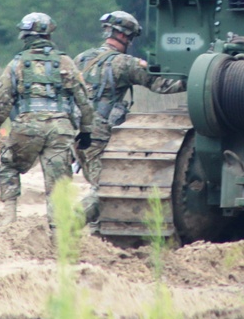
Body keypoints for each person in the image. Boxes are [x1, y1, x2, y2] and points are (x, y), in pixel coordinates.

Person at [74, 11, 186, 226]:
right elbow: (162, 85)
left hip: (75, 132)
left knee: (98, 184)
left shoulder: (81, 58)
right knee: (105, 190)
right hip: (98, 135)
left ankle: (94, 229)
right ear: (126, 37)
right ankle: (71, 222)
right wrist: (197, 79)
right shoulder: (125, 63)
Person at [0, 12, 93, 228]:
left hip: (27, 128)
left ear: (25, 36)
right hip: (61, 130)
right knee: (58, 184)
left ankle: (9, 218)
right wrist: (86, 130)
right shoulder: (66, 62)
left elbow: (2, 101)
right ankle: (58, 232)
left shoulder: (16, 64)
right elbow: (84, 100)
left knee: (9, 165)